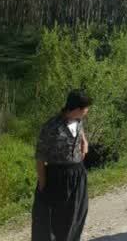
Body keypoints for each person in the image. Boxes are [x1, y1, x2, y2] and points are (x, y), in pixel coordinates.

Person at [32, 90, 92, 241]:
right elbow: (40, 159)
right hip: (57, 177)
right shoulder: (51, 127)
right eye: (86, 108)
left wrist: (84, 141)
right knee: (55, 222)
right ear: (77, 109)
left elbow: (80, 129)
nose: (87, 111)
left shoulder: (78, 119)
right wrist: (43, 186)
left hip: (77, 174)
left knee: (77, 215)